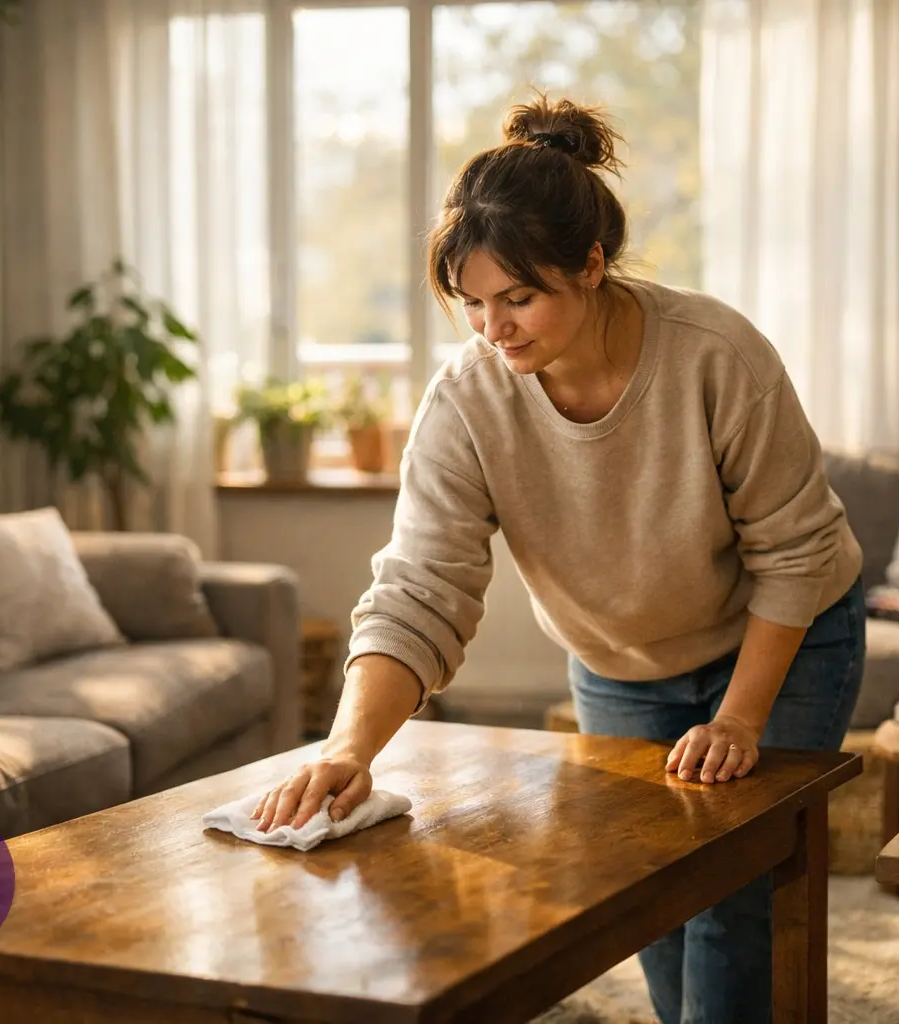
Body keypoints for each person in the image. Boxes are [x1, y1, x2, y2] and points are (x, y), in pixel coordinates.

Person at [250, 96, 866, 1024]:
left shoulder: (716, 355)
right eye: (473, 307)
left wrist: (740, 719)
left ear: (590, 266)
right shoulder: (466, 401)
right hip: (619, 660)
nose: (495, 331)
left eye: (520, 298)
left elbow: (796, 553)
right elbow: (421, 586)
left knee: (736, 898)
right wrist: (349, 749)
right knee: (646, 890)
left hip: (786, 639)